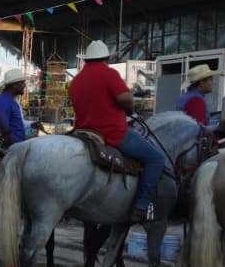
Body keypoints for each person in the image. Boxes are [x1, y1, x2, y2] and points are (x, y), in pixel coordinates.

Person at [68, 40, 164, 223]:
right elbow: (125, 98)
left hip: (83, 131)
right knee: (156, 159)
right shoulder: (109, 74)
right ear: (107, 58)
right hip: (111, 132)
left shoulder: (76, 80)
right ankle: (142, 206)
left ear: (87, 59)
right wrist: (130, 107)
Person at [176, 64, 225, 130]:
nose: (213, 83)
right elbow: (200, 128)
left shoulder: (190, 96)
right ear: (202, 83)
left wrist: (217, 123)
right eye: (210, 80)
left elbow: (202, 121)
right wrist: (218, 125)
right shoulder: (195, 101)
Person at [0, 68, 29, 146]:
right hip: (11, 149)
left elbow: (16, 123)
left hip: (18, 145)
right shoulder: (2, 102)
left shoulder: (12, 101)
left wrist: (32, 125)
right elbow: (2, 130)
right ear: (13, 85)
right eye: (22, 82)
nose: (24, 85)